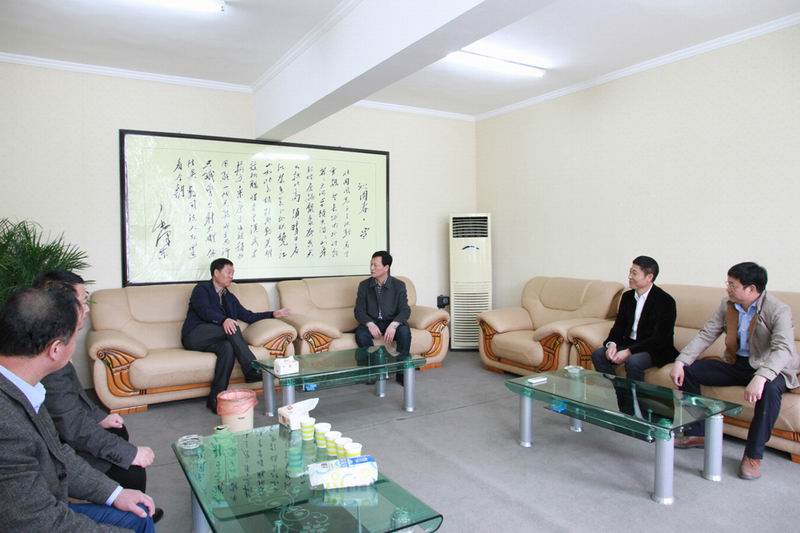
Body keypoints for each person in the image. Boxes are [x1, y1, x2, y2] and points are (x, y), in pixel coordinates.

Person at [0, 287, 157, 532]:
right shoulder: (7, 426)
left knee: (140, 515)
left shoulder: (23, 386)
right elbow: (40, 522)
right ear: (55, 349)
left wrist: (115, 494)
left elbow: (57, 454)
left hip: (45, 505)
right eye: (75, 335)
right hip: (39, 518)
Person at [34, 271, 159, 509]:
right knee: (133, 472)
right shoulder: (50, 353)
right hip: (59, 445)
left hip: (64, 430)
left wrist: (100, 417)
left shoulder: (54, 338)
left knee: (117, 430)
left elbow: (75, 396)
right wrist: (128, 453)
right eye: (82, 301)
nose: (87, 309)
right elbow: (70, 426)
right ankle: (132, 513)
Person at [670, 262, 800, 480]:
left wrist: (761, 376)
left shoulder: (778, 309)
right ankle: (698, 433)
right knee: (690, 371)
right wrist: (681, 361)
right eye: (728, 283)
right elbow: (707, 334)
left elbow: (783, 349)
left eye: (732, 285)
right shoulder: (727, 304)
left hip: (773, 368)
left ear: (751, 289)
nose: (727, 288)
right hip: (737, 363)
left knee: (769, 391)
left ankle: (753, 456)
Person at [182, 258, 289, 413]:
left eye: (233, 273)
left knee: (228, 348)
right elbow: (204, 310)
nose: (231, 276)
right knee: (232, 327)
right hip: (195, 334)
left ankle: (215, 400)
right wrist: (223, 320)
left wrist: (272, 314)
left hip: (215, 339)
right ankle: (251, 369)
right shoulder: (202, 289)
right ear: (216, 273)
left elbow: (247, 315)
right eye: (228, 272)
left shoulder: (229, 297)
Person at [591, 256, 678, 382]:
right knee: (599, 355)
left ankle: (635, 395)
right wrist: (612, 345)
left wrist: (629, 352)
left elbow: (660, 338)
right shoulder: (627, 297)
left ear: (649, 277)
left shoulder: (665, 301)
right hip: (630, 344)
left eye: (634, 273)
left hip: (655, 349)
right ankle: (618, 390)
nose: (629, 276)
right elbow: (619, 326)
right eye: (630, 272)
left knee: (633, 361)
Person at [354, 251, 411, 384]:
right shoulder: (364, 285)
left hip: (392, 322)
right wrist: (369, 323)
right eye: (371, 264)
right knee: (361, 334)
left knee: (404, 332)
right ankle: (374, 371)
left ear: (386, 267)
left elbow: (405, 310)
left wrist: (394, 324)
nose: (372, 268)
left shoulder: (399, 285)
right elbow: (359, 311)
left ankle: (401, 373)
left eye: (375, 265)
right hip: (373, 322)